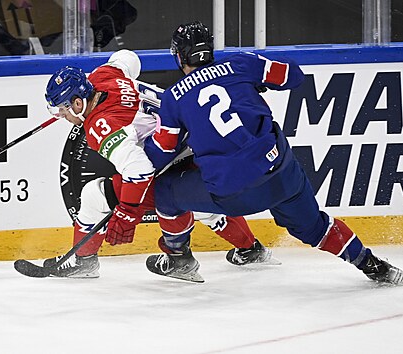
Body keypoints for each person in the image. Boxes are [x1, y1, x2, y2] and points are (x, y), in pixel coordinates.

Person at [143, 21, 403, 285]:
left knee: (165, 191)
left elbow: (162, 152)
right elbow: (293, 75)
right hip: (282, 176)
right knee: (315, 227)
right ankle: (373, 265)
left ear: (179, 55)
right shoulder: (241, 64)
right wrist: (258, 75)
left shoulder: (174, 98)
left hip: (234, 194)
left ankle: (179, 258)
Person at [43, 49, 277, 282]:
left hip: (183, 153)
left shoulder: (101, 126)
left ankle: (84, 261)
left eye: (63, 110)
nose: (62, 116)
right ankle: (251, 250)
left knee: (97, 195)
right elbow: (127, 58)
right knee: (201, 203)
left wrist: (127, 213)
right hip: (205, 141)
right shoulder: (103, 76)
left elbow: (139, 171)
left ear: (77, 103)